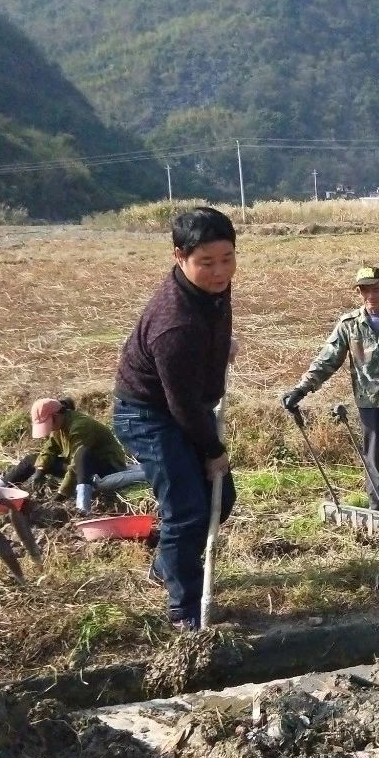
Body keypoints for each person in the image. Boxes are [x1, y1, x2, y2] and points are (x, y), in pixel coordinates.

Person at [112, 206, 237, 631]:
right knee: (186, 509)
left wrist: (220, 350)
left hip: (182, 405)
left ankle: (167, 564)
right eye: (206, 263)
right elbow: (181, 404)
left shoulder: (211, 291)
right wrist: (213, 450)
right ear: (178, 256)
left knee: (222, 499)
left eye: (227, 258)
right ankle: (185, 613)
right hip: (148, 414)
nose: (219, 271)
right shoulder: (175, 324)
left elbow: (210, 331)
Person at [281, 266, 379, 518]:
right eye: (365, 290)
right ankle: (378, 510)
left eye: (376, 289)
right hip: (370, 402)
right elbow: (327, 360)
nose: (370, 295)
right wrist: (302, 389)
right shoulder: (349, 325)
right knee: (373, 458)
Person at [0, 397, 130, 512]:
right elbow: (49, 450)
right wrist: (39, 472)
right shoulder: (58, 426)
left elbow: (76, 463)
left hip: (105, 468)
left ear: (56, 416)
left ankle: (82, 506)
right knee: (32, 460)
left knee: (82, 455)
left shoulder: (80, 426)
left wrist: (61, 493)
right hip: (80, 465)